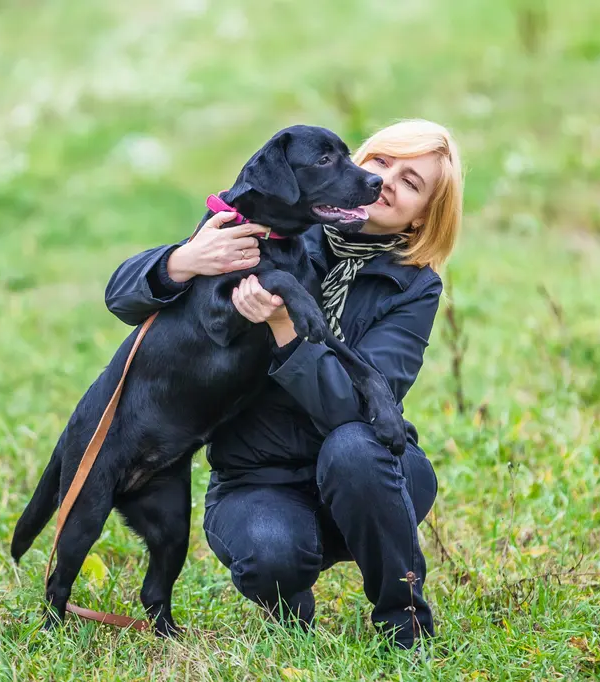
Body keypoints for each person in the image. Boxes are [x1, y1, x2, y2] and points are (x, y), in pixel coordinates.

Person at [103, 119, 463, 650]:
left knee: (354, 447)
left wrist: (285, 329)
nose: (387, 182)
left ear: (422, 218)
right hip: (258, 478)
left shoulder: (413, 287)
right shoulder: (282, 222)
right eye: (381, 162)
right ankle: (288, 597)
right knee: (274, 551)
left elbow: (354, 407)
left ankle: (405, 623)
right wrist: (182, 260)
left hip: (372, 477)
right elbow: (121, 298)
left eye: (411, 184)